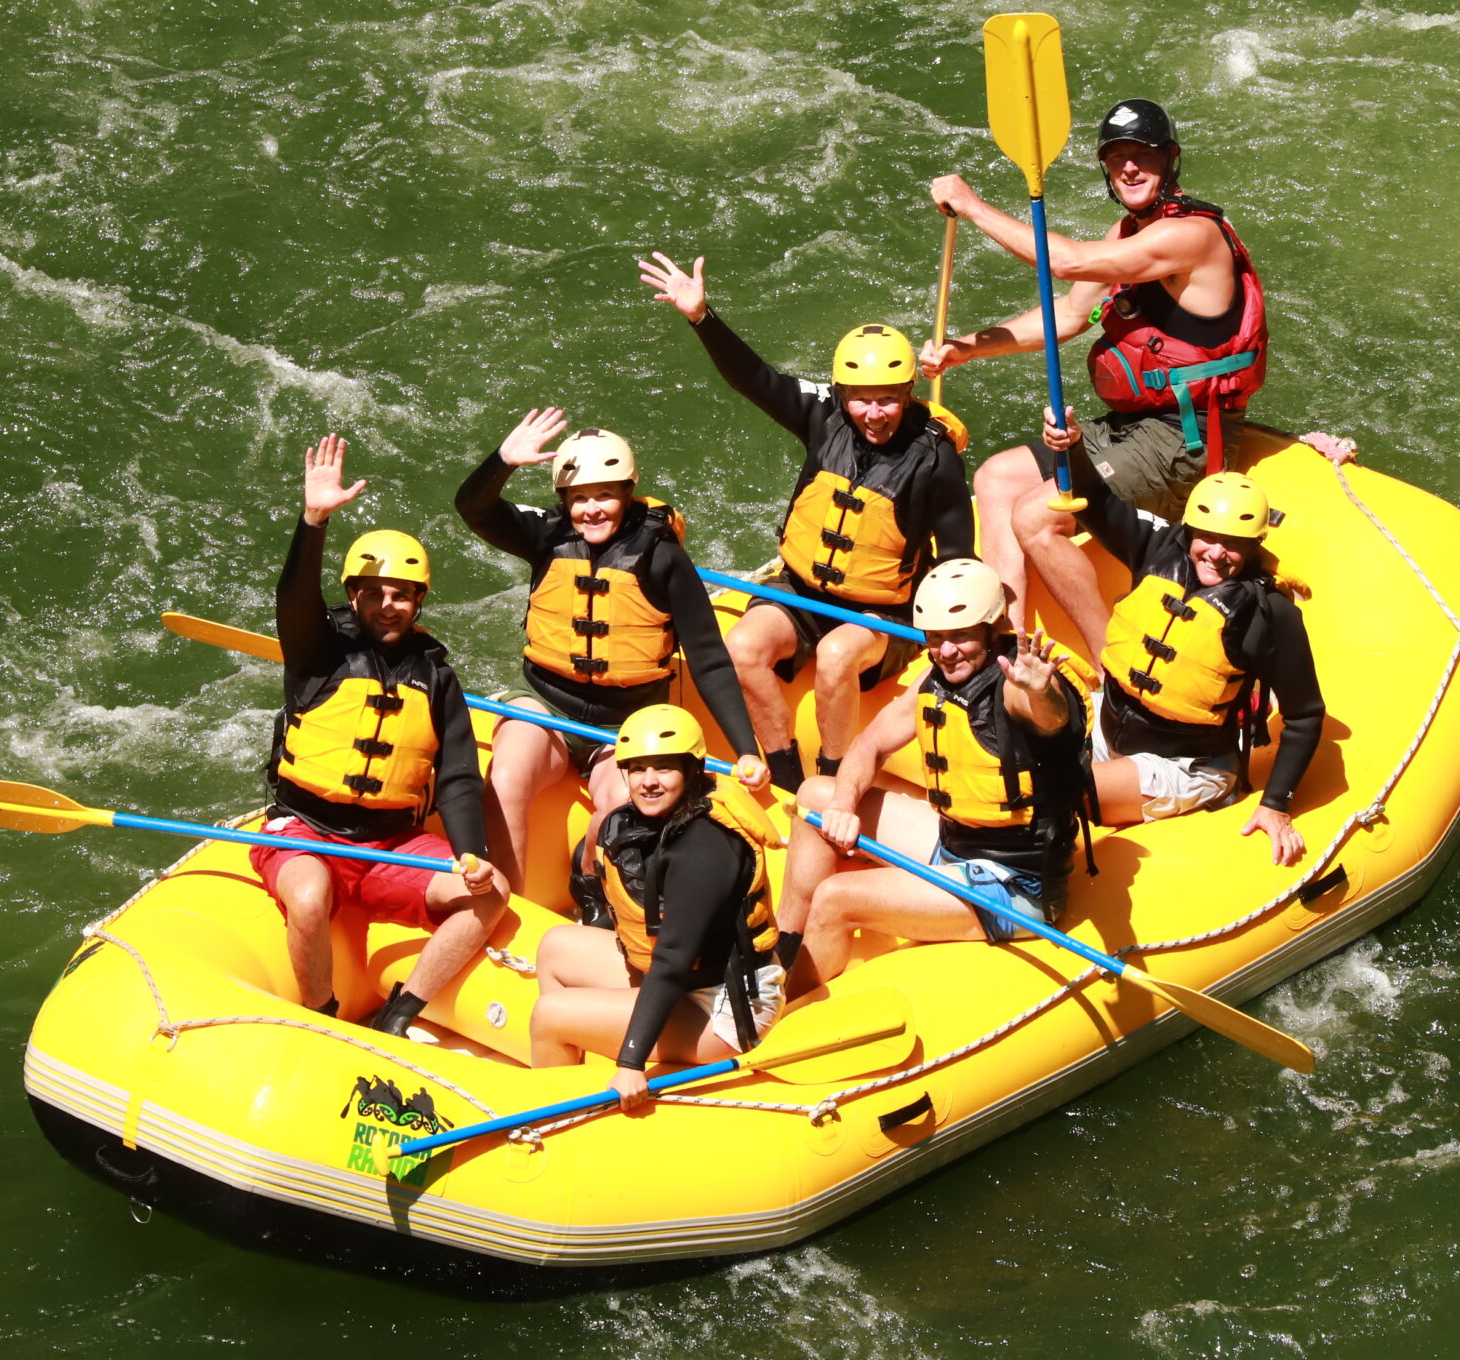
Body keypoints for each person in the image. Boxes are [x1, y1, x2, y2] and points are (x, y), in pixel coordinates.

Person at [921, 99, 1351, 658]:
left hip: (1185, 440)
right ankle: (1008, 647)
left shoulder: (1193, 236)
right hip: (1134, 427)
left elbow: (1068, 263)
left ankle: (1111, 667)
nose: (1129, 168)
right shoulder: (1127, 232)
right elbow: (1070, 313)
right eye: (1116, 157)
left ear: (1170, 159)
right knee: (996, 477)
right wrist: (965, 349)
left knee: (1035, 517)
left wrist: (974, 206)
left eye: (1142, 155)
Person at [638, 251, 974, 788]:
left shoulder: (936, 460)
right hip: (799, 591)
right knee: (742, 648)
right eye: (862, 400)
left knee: (838, 654)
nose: (874, 414)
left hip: (883, 611)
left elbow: (958, 558)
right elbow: (756, 379)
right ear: (842, 395)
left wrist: (961, 636)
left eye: (888, 400)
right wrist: (702, 317)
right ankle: (786, 772)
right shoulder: (823, 417)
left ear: (908, 393)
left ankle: (834, 778)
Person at [456, 409, 767, 898]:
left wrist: (746, 748)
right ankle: (504, 903)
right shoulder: (546, 536)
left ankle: (589, 879)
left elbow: (708, 658)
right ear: (564, 501)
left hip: (624, 722)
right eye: (579, 498)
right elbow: (473, 509)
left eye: (604, 495)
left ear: (627, 494)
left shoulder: (662, 557)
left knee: (623, 806)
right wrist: (504, 461)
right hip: (544, 703)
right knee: (508, 775)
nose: (591, 510)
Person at [259, 434, 503, 1037]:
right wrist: (313, 521)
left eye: (401, 595)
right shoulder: (317, 652)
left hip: (390, 844)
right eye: (374, 594)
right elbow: (293, 598)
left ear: (419, 601)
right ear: (353, 596)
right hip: (305, 831)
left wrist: (472, 853)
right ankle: (321, 1015)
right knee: (308, 899)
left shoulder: (438, 678)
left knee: (491, 893)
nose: (387, 606)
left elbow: (458, 777)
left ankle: (402, 1009)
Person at [774, 558, 1094, 985]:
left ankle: (785, 1007)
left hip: (1013, 885)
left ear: (992, 627)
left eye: (960, 636)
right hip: (955, 844)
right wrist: (844, 806)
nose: (946, 651)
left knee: (836, 898)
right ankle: (779, 954)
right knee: (817, 794)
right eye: (937, 637)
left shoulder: (1018, 687)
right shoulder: (938, 676)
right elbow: (871, 744)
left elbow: (1050, 719)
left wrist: (1040, 692)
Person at [1042, 414, 1324, 867]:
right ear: (1190, 530)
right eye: (1207, 537)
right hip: (1109, 727)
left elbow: (1306, 716)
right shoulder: (1158, 548)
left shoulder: (1269, 613)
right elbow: (1097, 503)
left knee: (1051, 793)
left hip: (1186, 765)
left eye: (1234, 543)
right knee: (1011, 747)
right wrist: (1072, 447)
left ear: (1254, 545)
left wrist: (1276, 804)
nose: (1217, 553)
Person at [528, 705, 787, 1112]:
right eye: (637, 769)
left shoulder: (706, 847)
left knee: (550, 1014)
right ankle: (573, 1069)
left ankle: (557, 1119)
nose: (648, 781)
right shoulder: (652, 820)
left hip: (724, 1007)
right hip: (689, 979)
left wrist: (631, 1062)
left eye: (664, 768)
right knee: (555, 946)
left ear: (692, 769)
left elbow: (673, 960)